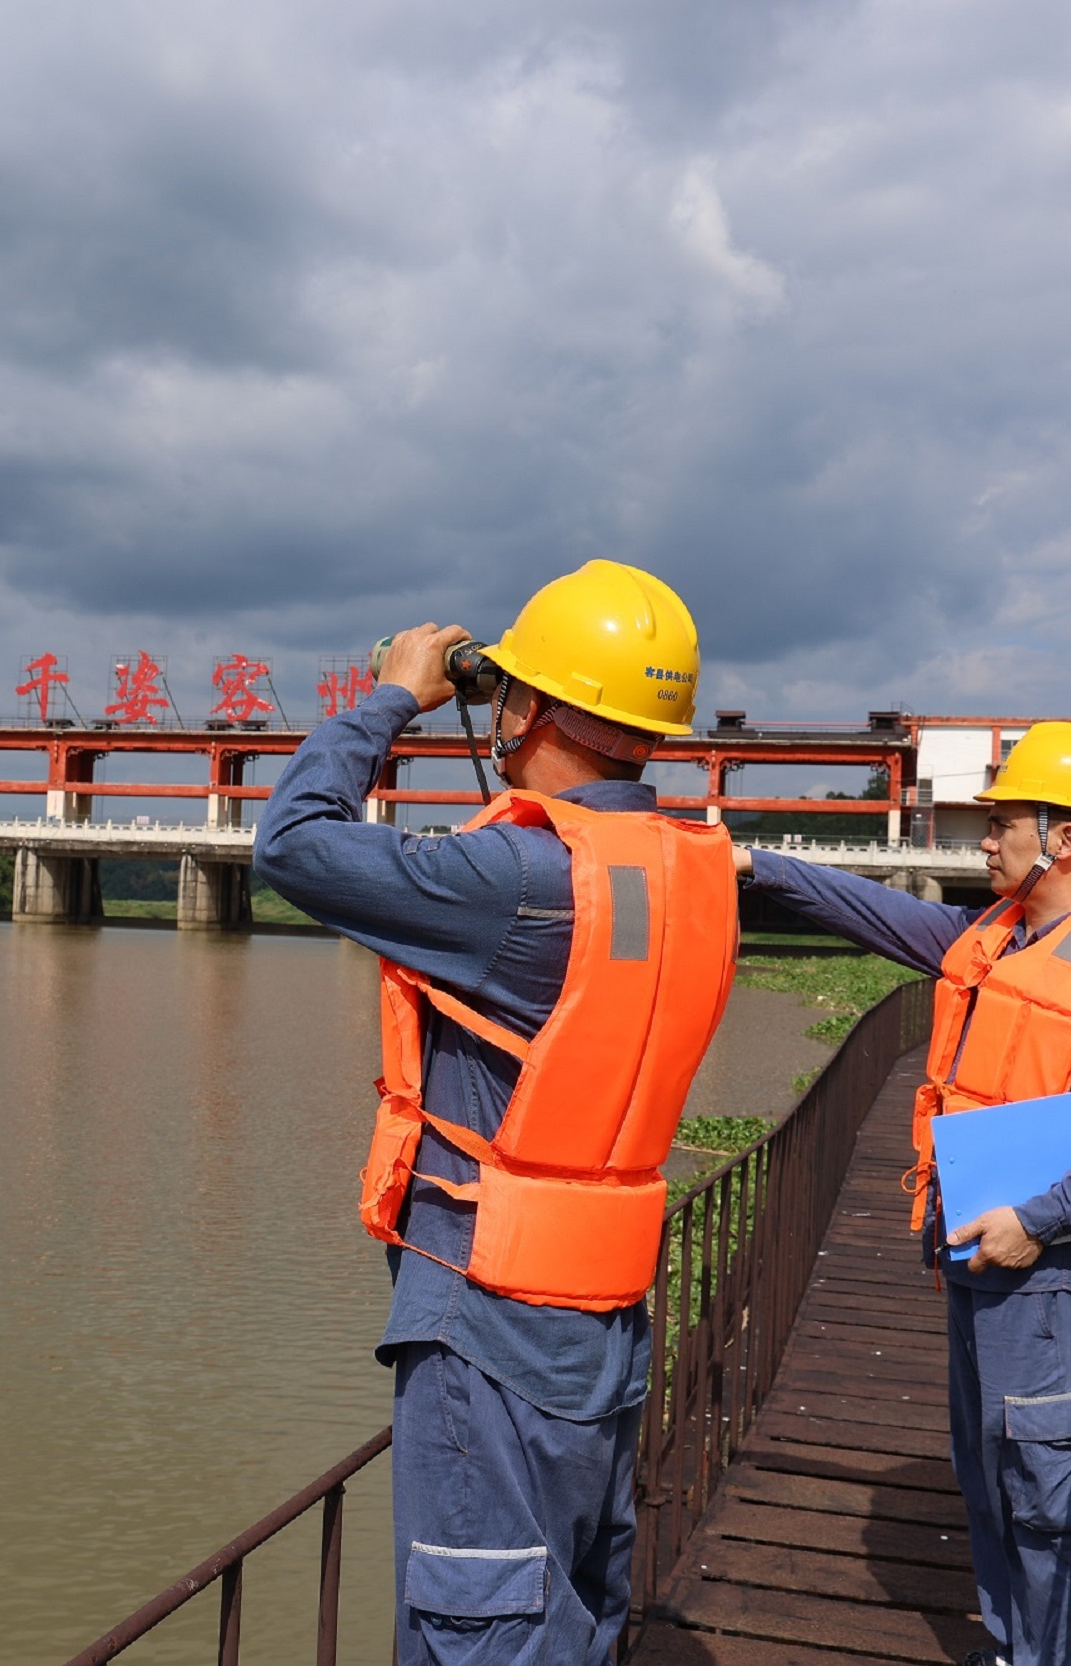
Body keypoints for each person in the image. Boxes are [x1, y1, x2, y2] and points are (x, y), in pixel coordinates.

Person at [253, 560, 739, 1665]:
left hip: (487, 1322)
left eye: (509, 689)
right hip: (600, 1324)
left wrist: (391, 697)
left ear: (528, 707)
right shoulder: (677, 869)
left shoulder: (513, 878)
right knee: (565, 1603)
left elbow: (288, 843)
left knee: (481, 1623)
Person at [733, 722, 1071, 1666]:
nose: (984, 841)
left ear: (1063, 840)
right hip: (975, 1268)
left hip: (1045, 1281)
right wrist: (755, 866)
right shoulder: (992, 940)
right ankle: (1007, 1647)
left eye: (1003, 824)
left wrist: (1037, 1221)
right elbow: (868, 913)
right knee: (988, 1483)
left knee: (1043, 1505)